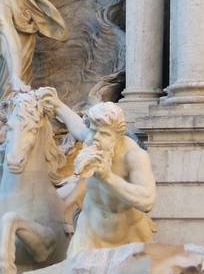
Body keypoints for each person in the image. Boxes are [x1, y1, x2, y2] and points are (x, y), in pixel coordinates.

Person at [48, 95, 156, 256]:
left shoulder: (134, 156)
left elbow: (147, 200)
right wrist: (56, 103)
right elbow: (77, 126)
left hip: (130, 235)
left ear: (118, 136)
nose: (96, 139)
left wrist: (107, 177)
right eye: (93, 131)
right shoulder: (93, 139)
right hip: (90, 233)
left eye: (104, 134)